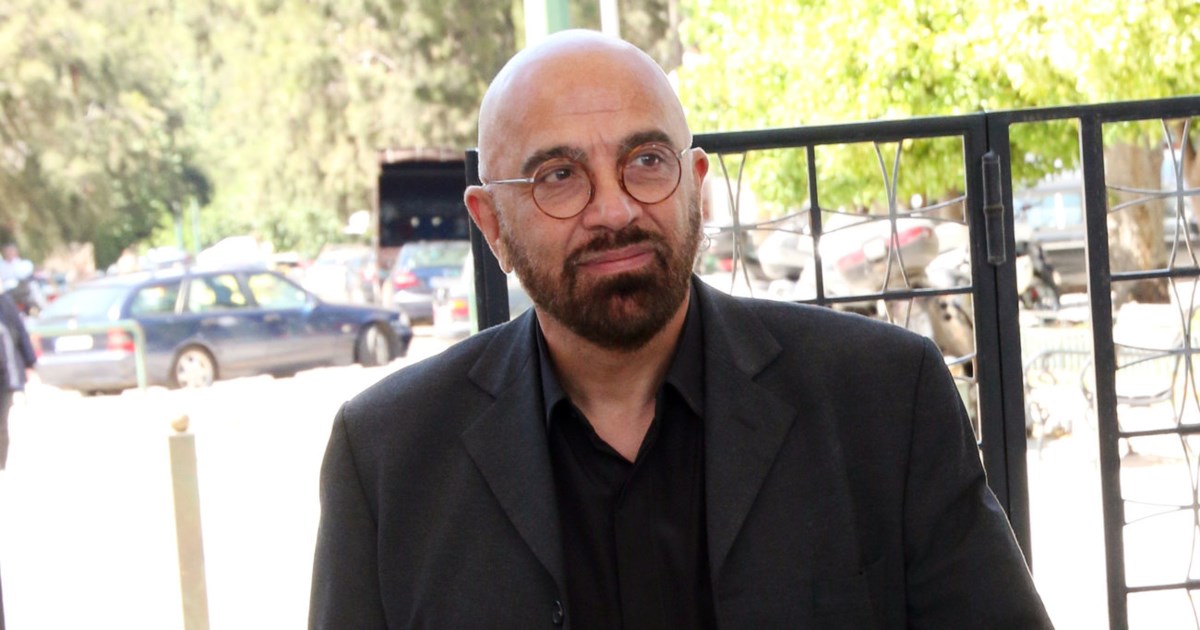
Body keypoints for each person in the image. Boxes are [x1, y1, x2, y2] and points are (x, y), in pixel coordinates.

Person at [309, 30, 1053, 628]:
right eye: (559, 176)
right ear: (492, 224)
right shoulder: (387, 456)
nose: (614, 209)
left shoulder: (884, 398)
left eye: (646, 160)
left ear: (696, 187)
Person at [0, 288, 36, 470]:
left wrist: (30, 361)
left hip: (5, 375)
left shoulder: (4, 302)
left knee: (1, 424)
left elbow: (19, 331)